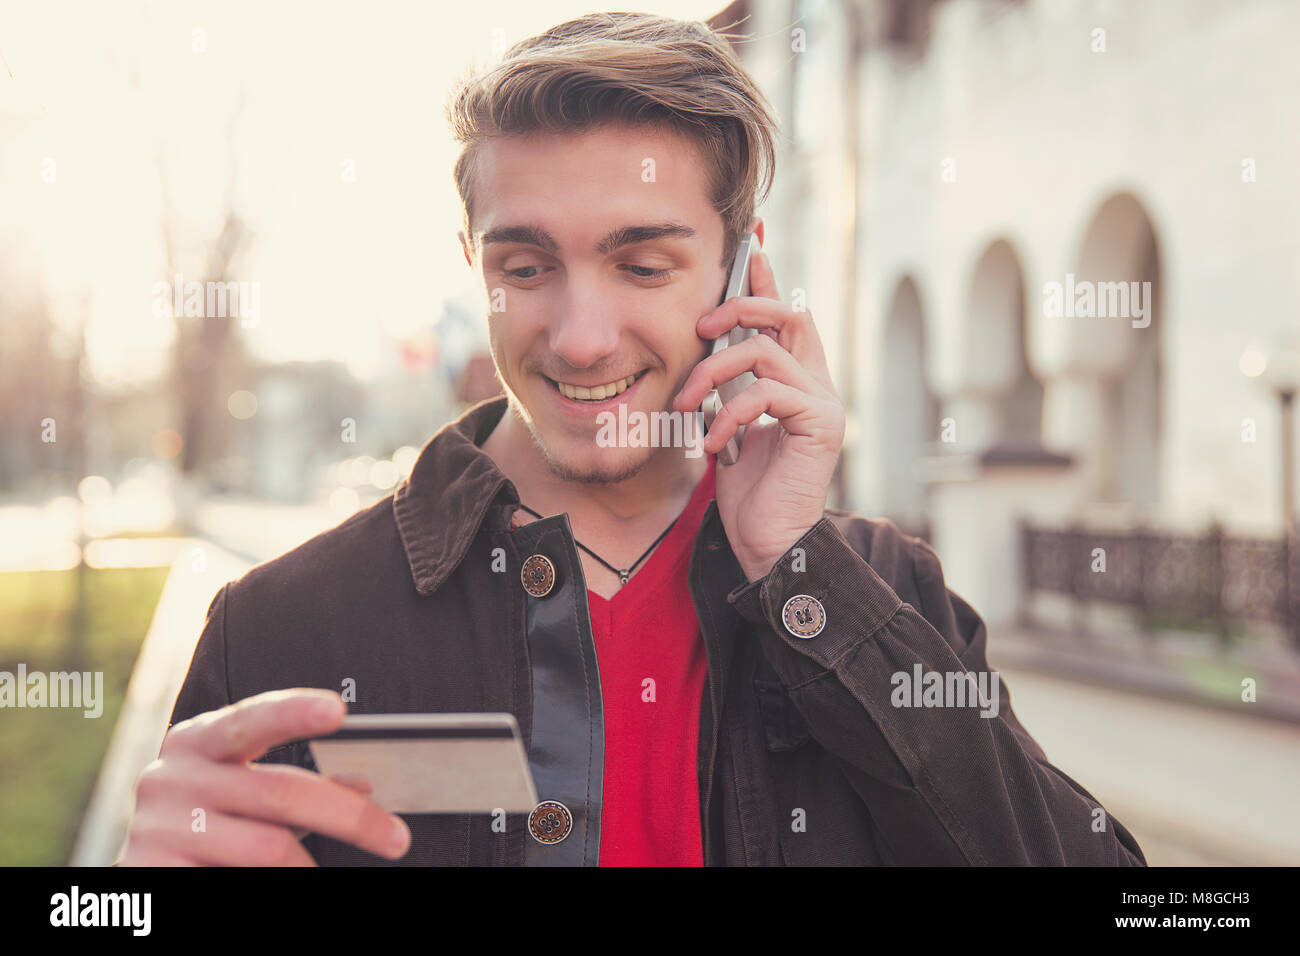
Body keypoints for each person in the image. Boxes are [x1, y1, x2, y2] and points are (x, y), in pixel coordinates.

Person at [118, 11, 1146, 867]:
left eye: (641, 265)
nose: (578, 336)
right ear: (473, 262)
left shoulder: (881, 592)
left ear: (742, 269)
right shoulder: (281, 629)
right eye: (525, 268)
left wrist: (799, 572)